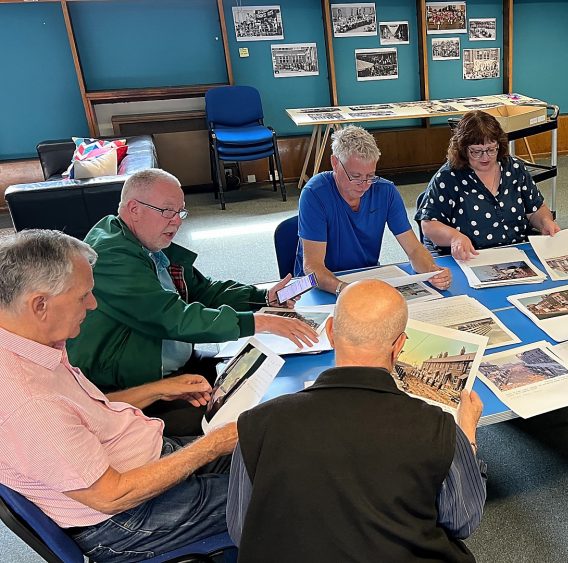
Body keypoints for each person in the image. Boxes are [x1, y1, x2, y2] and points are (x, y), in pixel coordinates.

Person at [0, 230, 236, 562]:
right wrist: (213, 444)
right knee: (287, 484)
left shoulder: (31, 343)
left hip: (143, 465)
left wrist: (160, 389)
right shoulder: (29, 400)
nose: (93, 304)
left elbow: (88, 414)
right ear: (40, 304)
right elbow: (111, 496)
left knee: (264, 446)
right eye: (83, 296)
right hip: (126, 517)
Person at [227, 280, 487, 561]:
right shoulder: (439, 429)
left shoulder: (257, 424)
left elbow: (241, 529)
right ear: (398, 346)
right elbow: (462, 521)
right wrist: (468, 438)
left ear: (330, 332)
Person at [67, 168, 317, 436]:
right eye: (167, 211)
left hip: (169, 361)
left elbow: (202, 290)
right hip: (132, 387)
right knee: (248, 416)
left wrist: (263, 297)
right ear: (134, 209)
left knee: (254, 374)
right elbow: (173, 317)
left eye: (181, 212)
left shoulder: (146, 244)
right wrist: (260, 321)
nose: (177, 222)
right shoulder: (112, 256)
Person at [296, 125, 451, 294]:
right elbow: (312, 267)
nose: (364, 185)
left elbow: (413, 249)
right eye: (355, 176)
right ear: (335, 163)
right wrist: (343, 288)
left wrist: (432, 270)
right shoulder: (314, 193)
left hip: (364, 278)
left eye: (370, 176)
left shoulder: (386, 191)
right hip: (313, 285)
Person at [416, 110, 560, 260]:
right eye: (476, 151)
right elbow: (429, 225)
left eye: (491, 149)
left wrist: (545, 222)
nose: (485, 157)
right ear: (463, 149)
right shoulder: (449, 177)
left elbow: (536, 209)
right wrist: (455, 237)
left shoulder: (515, 169)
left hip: (516, 254)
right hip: (470, 258)